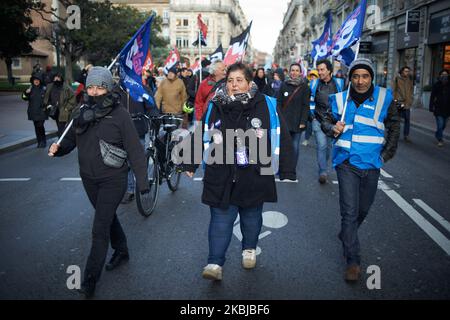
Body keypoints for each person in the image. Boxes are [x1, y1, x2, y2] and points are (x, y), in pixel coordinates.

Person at [183, 63, 296, 281]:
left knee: (251, 216)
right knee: (220, 218)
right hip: (221, 171)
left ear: (249, 82)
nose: (234, 85)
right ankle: (215, 263)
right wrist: (190, 161)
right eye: (230, 80)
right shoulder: (216, 104)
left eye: (239, 80)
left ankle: (249, 248)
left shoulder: (267, 105)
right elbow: (203, 132)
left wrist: (287, 169)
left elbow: (282, 136)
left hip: (254, 172)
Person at [47, 66, 149, 298]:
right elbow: (70, 141)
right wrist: (59, 149)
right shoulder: (80, 111)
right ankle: (122, 250)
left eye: (100, 87)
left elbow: (135, 150)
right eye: (91, 86)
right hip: (89, 178)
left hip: (113, 179)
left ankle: (89, 282)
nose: (94, 91)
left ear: (108, 88)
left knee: (99, 228)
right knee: (107, 217)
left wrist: (143, 183)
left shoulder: (120, 114)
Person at [320, 58, 400, 282]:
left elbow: (394, 125)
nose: (360, 81)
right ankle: (352, 261)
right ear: (350, 78)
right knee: (349, 212)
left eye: (365, 76)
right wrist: (332, 127)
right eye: (356, 76)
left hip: (372, 164)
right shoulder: (339, 99)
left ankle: (347, 234)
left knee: (363, 209)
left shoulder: (385, 97)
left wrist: (386, 154)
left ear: (371, 77)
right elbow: (325, 121)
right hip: (346, 163)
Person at [310, 59, 345, 184]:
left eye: (322, 69)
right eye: (318, 70)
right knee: (321, 145)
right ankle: (323, 171)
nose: (320, 72)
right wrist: (312, 116)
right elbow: (311, 102)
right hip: (318, 121)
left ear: (329, 70)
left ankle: (324, 164)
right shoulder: (314, 84)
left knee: (329, 147)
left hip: (333, 123)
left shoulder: (339, 83)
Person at [277, 63, 310, 171]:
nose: (294, 73)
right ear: (290, 72)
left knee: (295, 146)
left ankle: (291, 168)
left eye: (297, 70)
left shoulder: (304, 87)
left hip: (297, 121)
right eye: (292, 70)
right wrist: (279, 118)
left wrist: (303, 121)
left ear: (300, 72)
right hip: (284, 121)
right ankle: (283, 166)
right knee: (284, 145)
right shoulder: (284, 85)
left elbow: (306, 106)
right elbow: (279, 102)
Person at [43, 73, 76, 137]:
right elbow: (46, 97)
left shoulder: (66, 87)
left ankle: (61, 142)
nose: (57, 79)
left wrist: (67, 108)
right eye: (55, 77)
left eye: (58, 77)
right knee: (59, 126)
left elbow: (73, 97)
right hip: (54, 110)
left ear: (61, 78)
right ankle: (61, 140)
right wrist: (48, 105)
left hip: (63, 110)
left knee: (61, 127)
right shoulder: (50, 86)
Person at [22, 71, 48, 148]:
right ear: (33, 81)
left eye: (38, 80)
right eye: (35, 80)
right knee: (36, 126)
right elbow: (24, 98)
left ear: (40, 81)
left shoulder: (44, 89)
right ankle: (39, 141)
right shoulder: (30, 89)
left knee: (40, 125)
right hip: (33, 111)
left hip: (42, 111)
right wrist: (26, 93)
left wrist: (46, 107)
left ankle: (43, 141)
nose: (36, 81)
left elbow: (48, 99)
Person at [393, 66, 414, 142]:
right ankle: (395, 134)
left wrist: (411, 99)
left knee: (407, 120)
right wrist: (395, 99)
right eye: (405, 71)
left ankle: (406, 135)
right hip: (399, 102)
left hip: (407, 103)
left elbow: (411, 90)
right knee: (397, 119)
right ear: (402, 72)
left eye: (408, 71)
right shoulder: (397, 79)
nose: (407, 73)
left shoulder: (410, 80)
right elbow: (394, 89)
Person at [429, 69, 450, 147]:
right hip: (438, 108)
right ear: (440, 76)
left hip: (447, 109)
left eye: (445, 74)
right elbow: (432, 96)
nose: (444, 76)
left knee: (444, 125)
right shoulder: (436, 85)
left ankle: (438, 133)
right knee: (440, 124)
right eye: (442, 74)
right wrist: (431, 107)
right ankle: (440, 139)